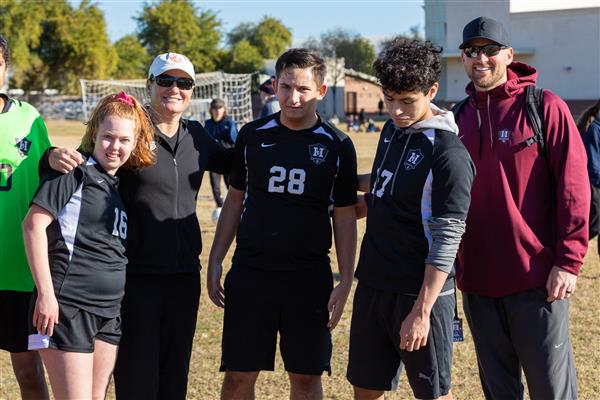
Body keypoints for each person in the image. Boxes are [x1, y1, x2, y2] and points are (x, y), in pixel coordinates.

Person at [44, 52, 232, 399]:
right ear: (149, 84)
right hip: (134, 279)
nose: (174, 89)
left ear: (192, 90)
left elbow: (242, 167)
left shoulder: (198, 137)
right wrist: (50, 154)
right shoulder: (128, 132)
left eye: (184, 83)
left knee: (174, 378)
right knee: (137, 380)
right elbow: (84, 161)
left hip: (183, 278)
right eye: (165, 81)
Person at [207, 48, 358, 400]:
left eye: (303, 89)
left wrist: (347, 277)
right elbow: (235, 198)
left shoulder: (338, 145)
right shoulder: (252, 135)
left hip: (308, 277)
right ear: (275, 85)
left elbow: (346, 215)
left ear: (321, 91)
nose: (293, 97)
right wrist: (216, 258)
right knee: (237, 376)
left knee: (305, 379)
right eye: (286, 86)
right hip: (252, 272)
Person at [454, 16, 589, 399]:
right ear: (463, 58)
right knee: (499, 392)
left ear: (508, 55)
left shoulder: (544, 106)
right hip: (478, 281)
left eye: (490, 50)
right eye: (471, 51)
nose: (481, 58)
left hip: (536, 279)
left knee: (550, 389)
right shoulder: (456, 117)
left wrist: (568, 261)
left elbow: (573, 188)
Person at [346, 37, 475, 400]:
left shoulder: (449, 153)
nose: (396, 110)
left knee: (433, 393)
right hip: (374, 284)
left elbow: (449, 238)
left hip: (419, 294)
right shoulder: (392, 131)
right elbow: (389, 183)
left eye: (407, 101)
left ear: (431, 90)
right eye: (389, 99)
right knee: (366, 389)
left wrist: (422, 311)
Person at [23, 92, 155, 400]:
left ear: (134, 143)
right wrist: (46, 294)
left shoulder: (117, 187)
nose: (115, 146)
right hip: (68, 308)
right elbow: (33, 226)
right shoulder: (73, 172)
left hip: (109, 312)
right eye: (108, 137)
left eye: (124, 140)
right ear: (94, 132)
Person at [0, 33, 51, 400]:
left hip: (19, 269)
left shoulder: (29, 118)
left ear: (4, 68)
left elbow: (47, 168)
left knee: (29, 373)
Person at [205, 98, 238, 221]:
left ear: (224, 110)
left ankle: (234, 209)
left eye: (220, 108)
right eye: (215, 108)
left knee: (231, 185)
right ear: (211, 110)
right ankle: (220, 206)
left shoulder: (229, 123)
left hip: (229, 161)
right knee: (215, 186)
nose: (217, 111)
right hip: (213, 161)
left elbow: (236, 142)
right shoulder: (208, 124)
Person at [579, 99, 600, 253]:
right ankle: (569, 251)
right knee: (593, 226)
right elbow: (592, 166)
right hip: (594, 188)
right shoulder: (593, 129)